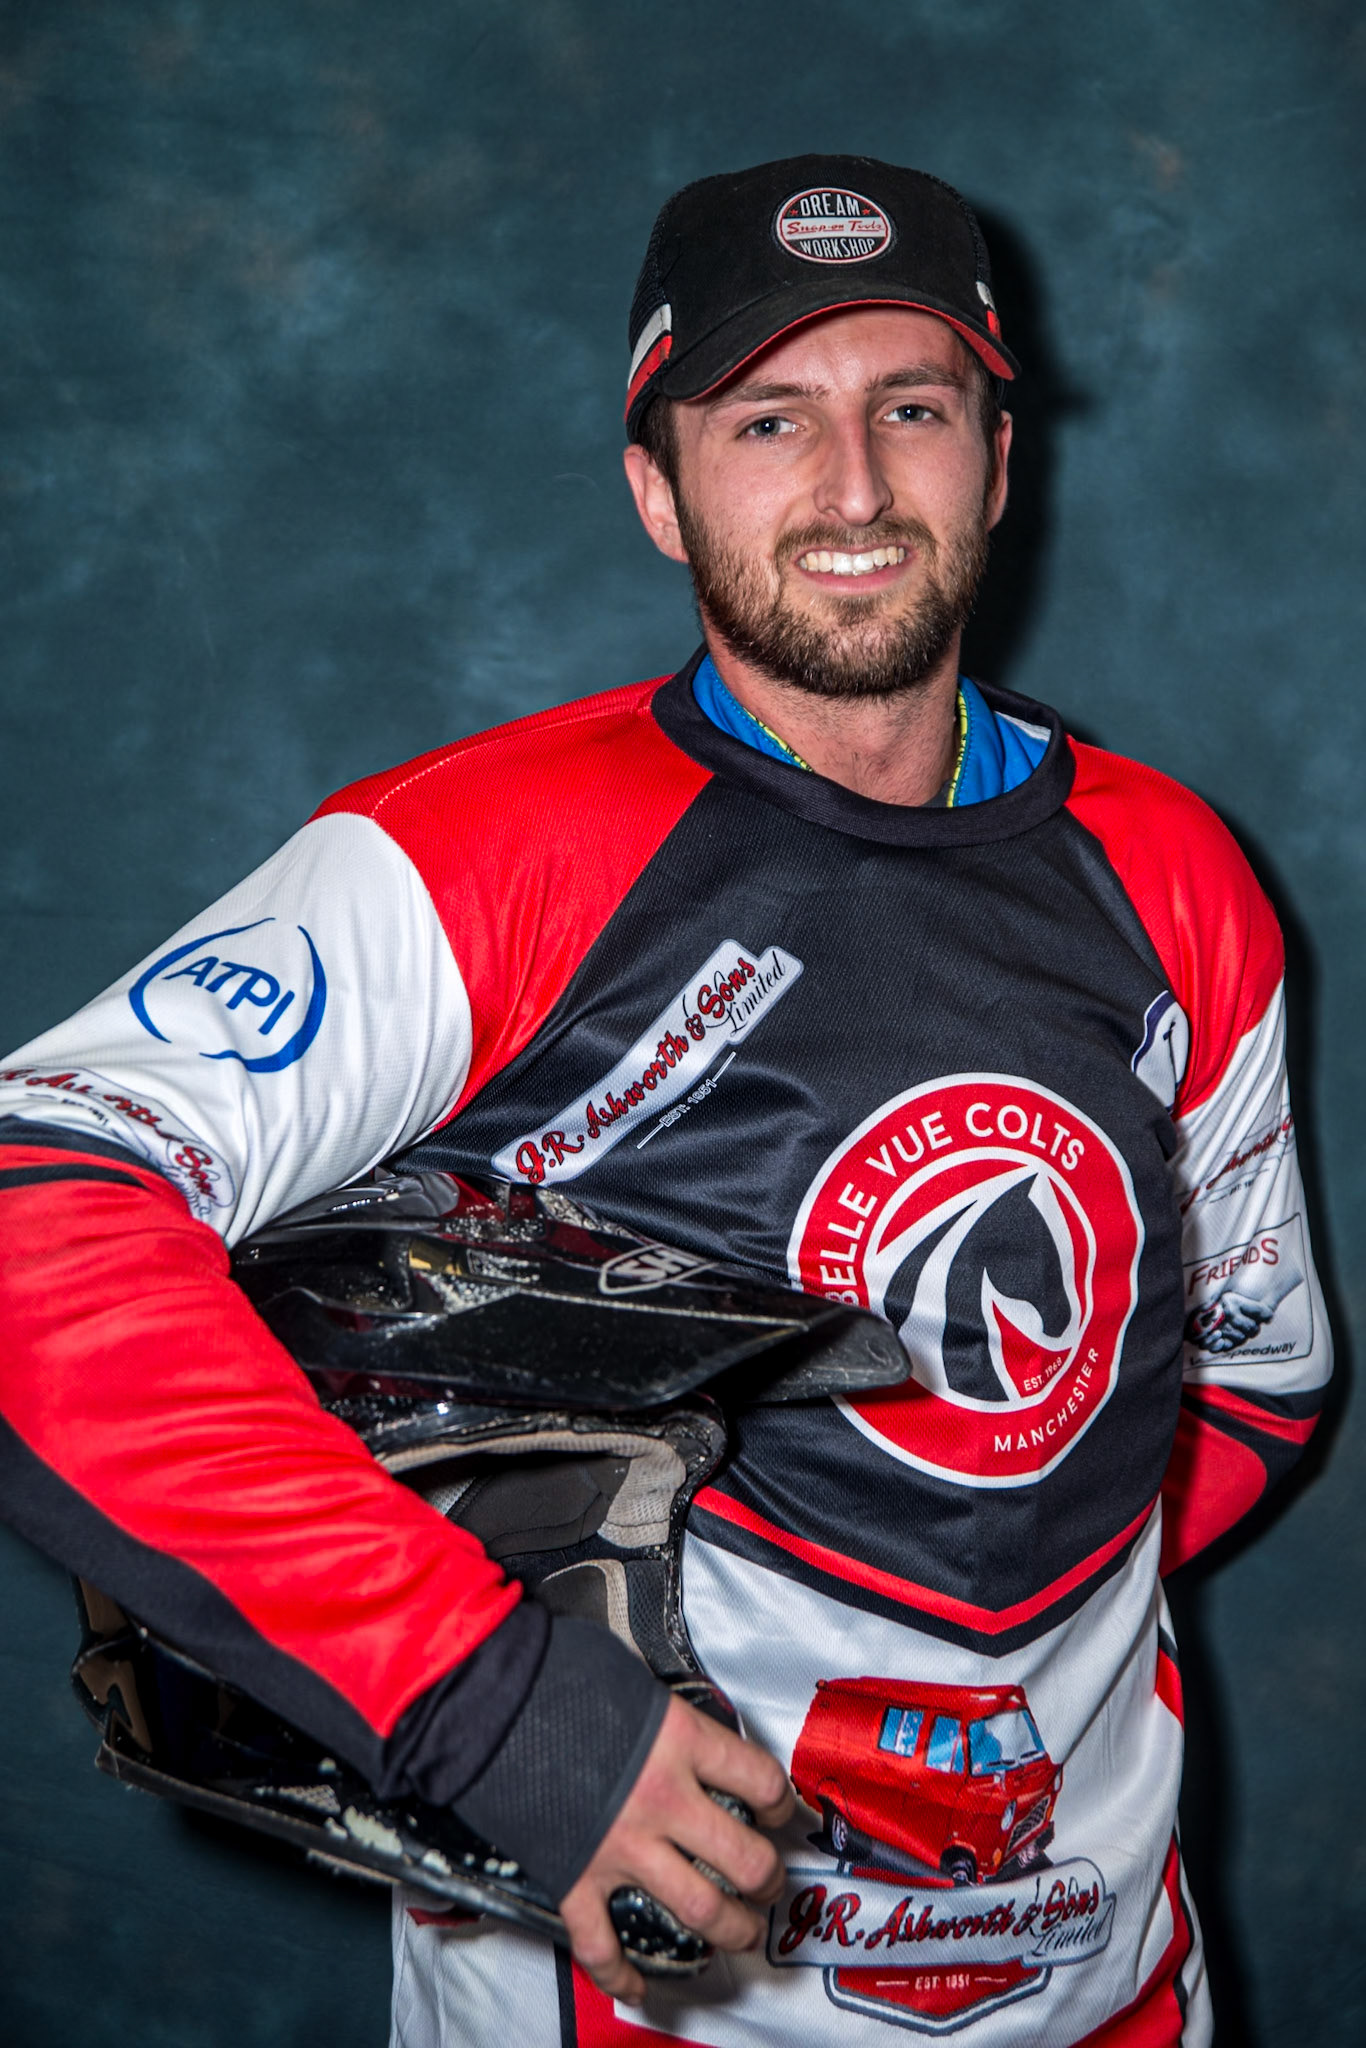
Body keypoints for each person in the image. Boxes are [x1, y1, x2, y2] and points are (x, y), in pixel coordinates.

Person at [0, 154, 1330, 2048]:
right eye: (768, 420)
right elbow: (32, 1213)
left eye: (911, 409)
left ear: (996, 461)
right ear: (657, 490)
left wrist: (980, 1635)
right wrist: (491, 1703)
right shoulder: (484, 857)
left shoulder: (1173, 873)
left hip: (1108, 1992)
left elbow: (1253, 1386)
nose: (852, 487)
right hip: (623, 2003)